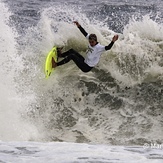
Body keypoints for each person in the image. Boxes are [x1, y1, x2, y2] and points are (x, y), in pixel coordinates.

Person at [52, 21, 118, 73]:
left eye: (92, 42)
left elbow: (108, 48)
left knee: (72, 56)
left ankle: (56, 65)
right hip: (85, 61)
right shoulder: (90, 39)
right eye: (90, 42)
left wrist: (113, 41)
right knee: (72, 51)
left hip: (86, 67)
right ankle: (60, 55)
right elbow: (84, 33)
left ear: (96, 41)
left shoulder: (99, 48)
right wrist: (79, 26)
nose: (91, 43)